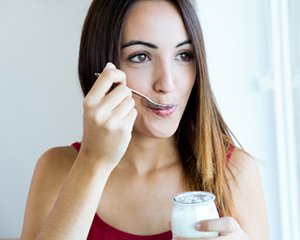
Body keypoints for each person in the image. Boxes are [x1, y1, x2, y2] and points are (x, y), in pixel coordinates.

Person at [20, 0, 269, 239]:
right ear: (103, 67)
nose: (167, 84)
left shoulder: (236, 173)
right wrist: (93, 162)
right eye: (141, 57)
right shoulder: (57, 169)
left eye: (183, 55)